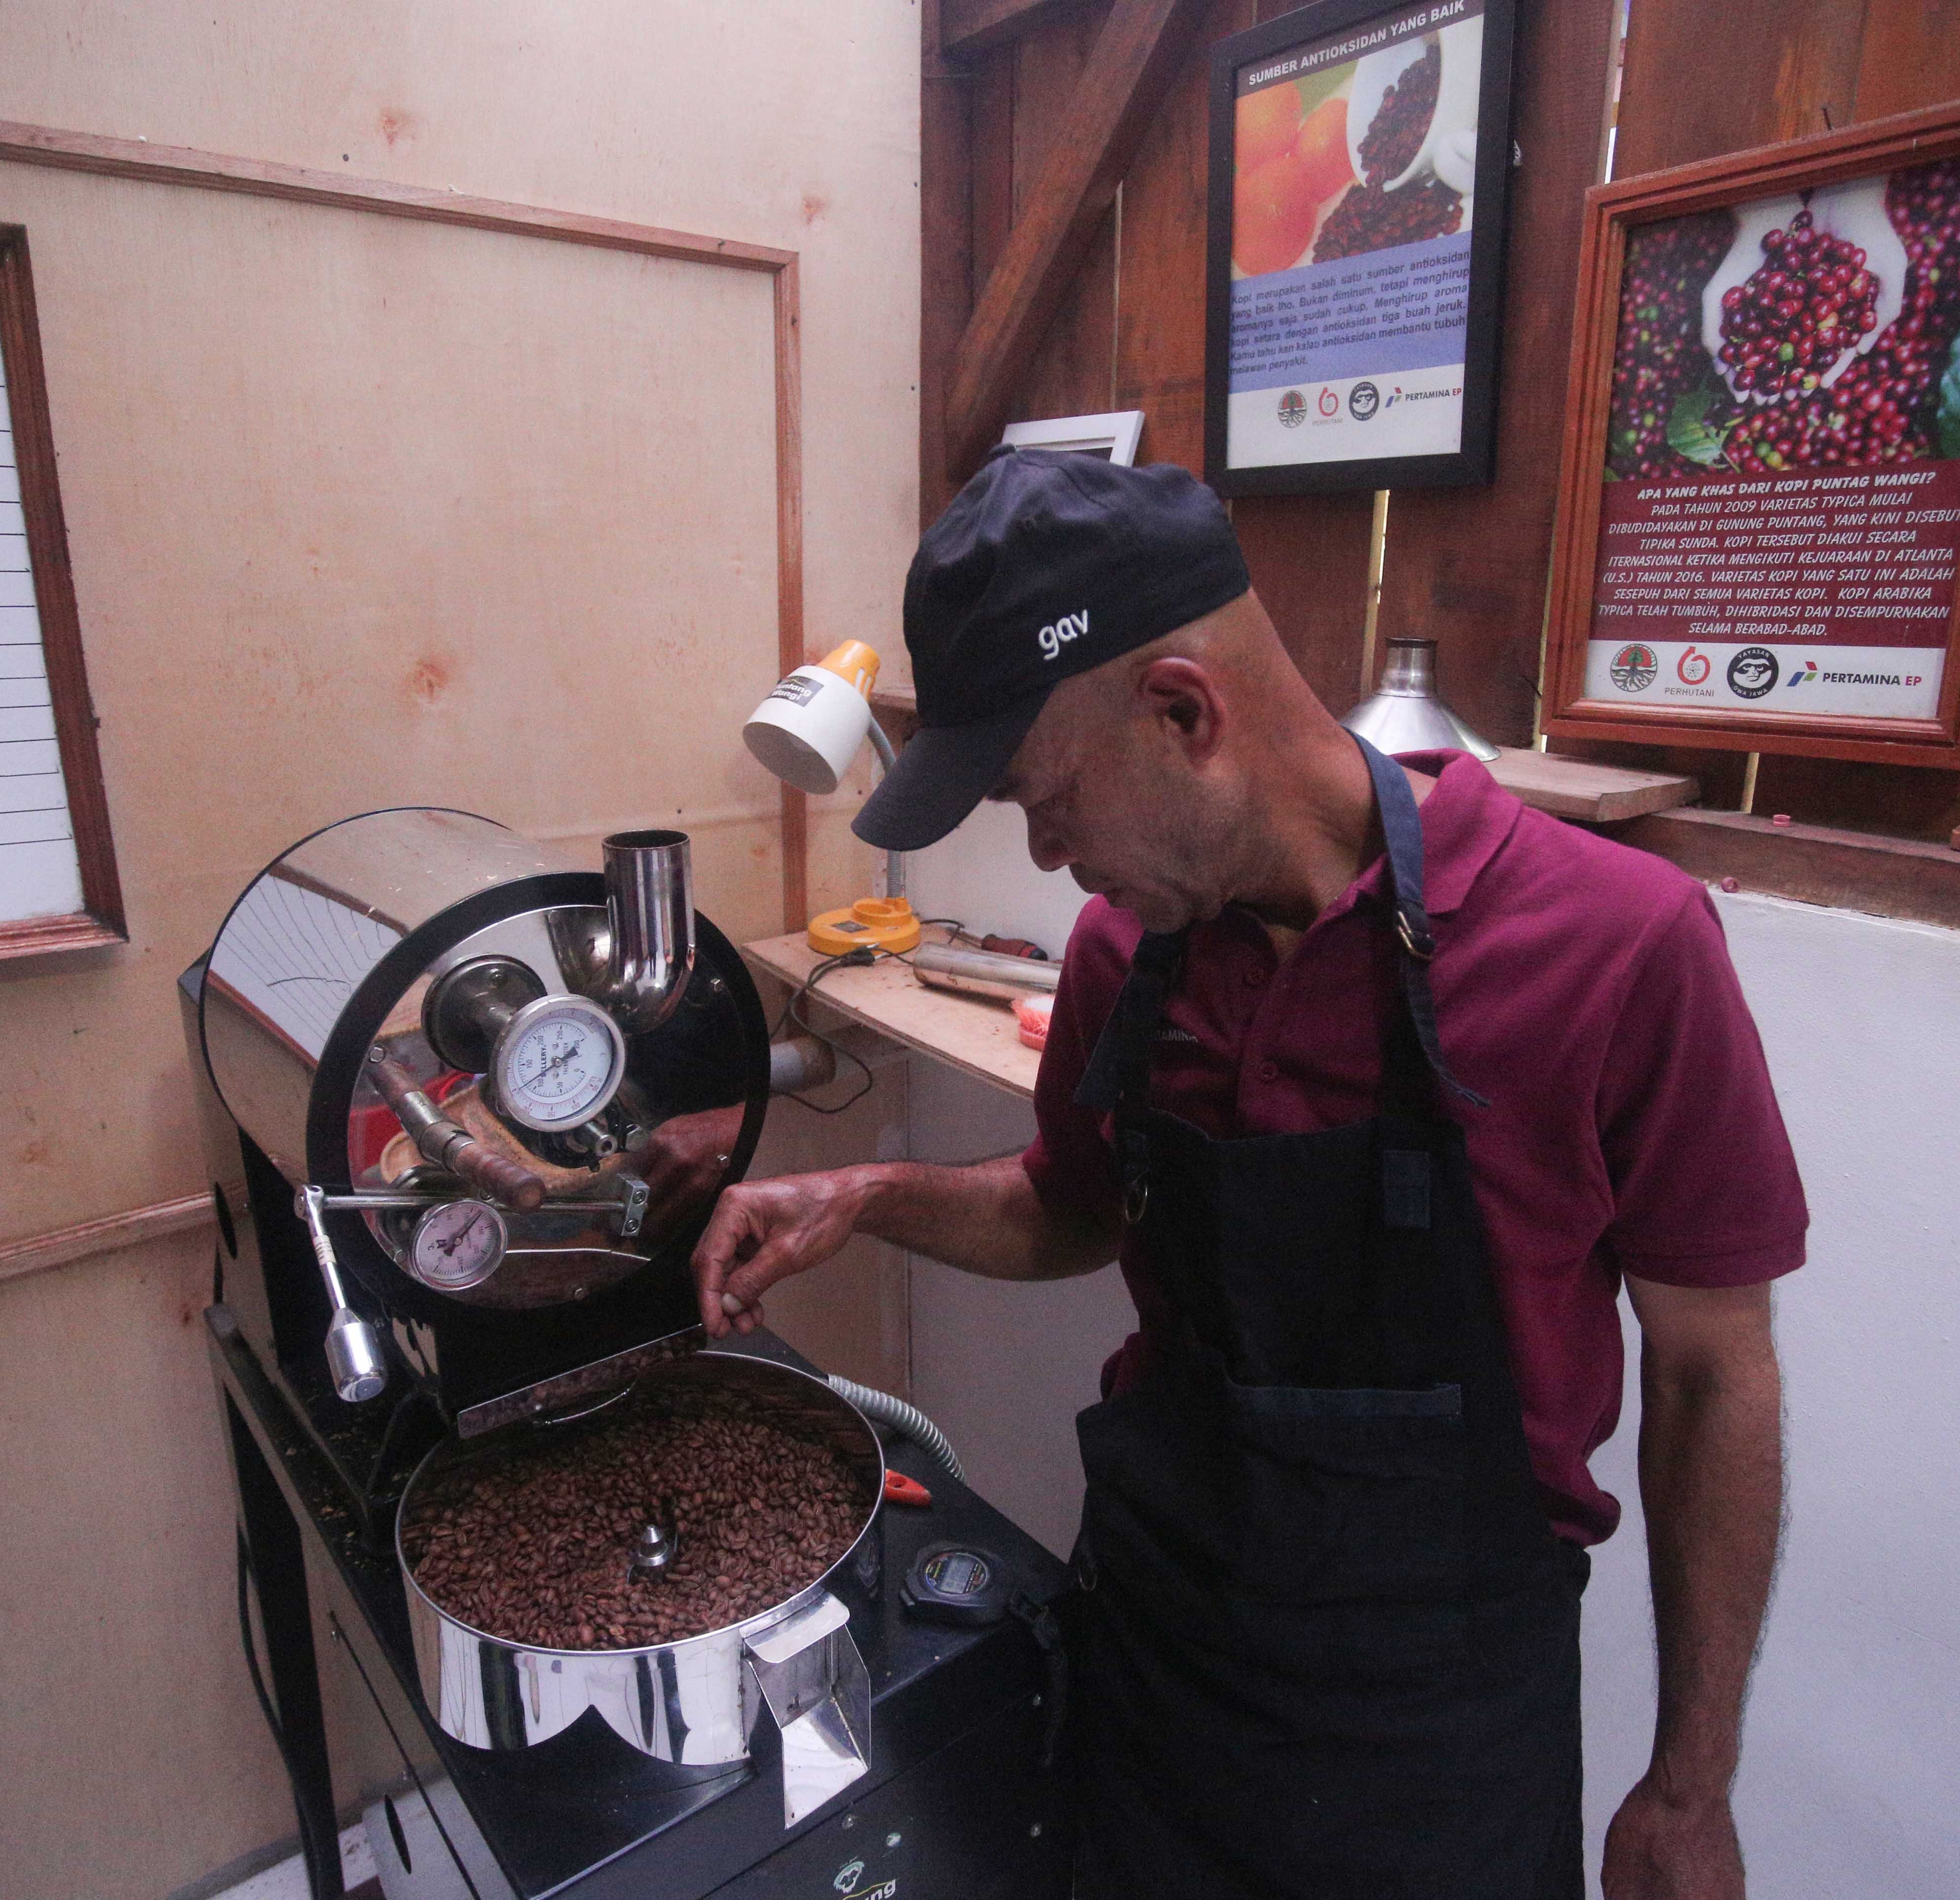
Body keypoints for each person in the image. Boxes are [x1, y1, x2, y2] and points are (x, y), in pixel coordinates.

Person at [691, 449, 1803, 1899]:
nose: (1047, 853)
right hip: (1158, 1656)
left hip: (1438, 1729)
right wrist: (868, 1195)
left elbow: (1718, 1372)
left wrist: (1692, 1788)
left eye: (1046, 800)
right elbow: (1075, 1207)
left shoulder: (1619, 946)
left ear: (1181, 712)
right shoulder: (1124, 960)